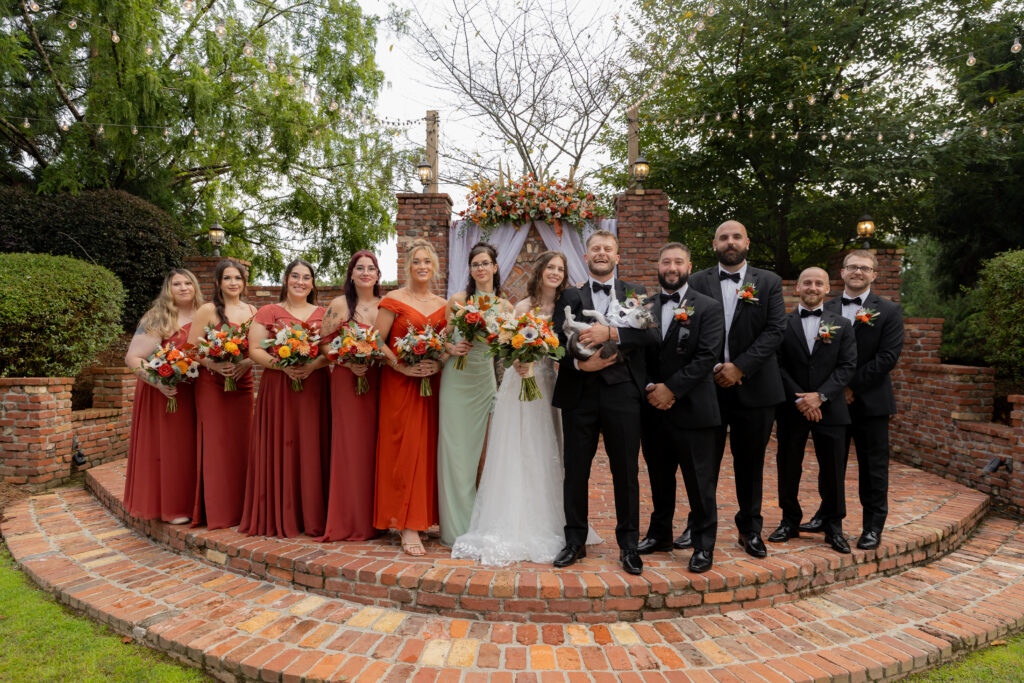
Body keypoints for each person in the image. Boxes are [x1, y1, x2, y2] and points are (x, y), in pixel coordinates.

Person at [452, 251, 602, 565]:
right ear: (540, 270)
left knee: (545, 449)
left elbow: (568, 346)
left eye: (561, 268)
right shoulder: (522, 306)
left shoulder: (567, 305)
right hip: (519, 383)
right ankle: (512, 520)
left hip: (547, 384)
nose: (556, 273)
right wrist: (519, 360)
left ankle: (556, 520)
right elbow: (506, 341)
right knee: (517, 449)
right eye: (550, 267)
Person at [550, 229, 657, 575]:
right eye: (595, 249)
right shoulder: (569, 294)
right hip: (579, 393)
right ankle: (575, 540)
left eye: (607, 248)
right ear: (586, 256)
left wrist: (611, 333)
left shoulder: (635, 293)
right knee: (576, 471)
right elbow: (553, 343)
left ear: (617, 256)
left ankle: (628, 546)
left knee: (625, 471)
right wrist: (582, 363)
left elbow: (650, 336)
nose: (601, 253)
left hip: (623, 393)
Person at [685, 220, 786, 559]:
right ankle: (697, 524)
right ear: (714, 244)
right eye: (723, 237)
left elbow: (775, 330)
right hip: (707, 387)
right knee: (703, 463)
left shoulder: (768, 282)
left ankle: (750, 529)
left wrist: (739, 366)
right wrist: (712, 368)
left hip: (755, 387)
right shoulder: (696, 281)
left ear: (747, 242)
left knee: (751, 462)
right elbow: (688, 328)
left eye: (736, 237)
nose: (730, 242)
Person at [801, 250, 904, 550]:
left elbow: (887, 358)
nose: (858, 272)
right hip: (833, 402)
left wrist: (850, 387)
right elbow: (817, 357)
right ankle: (827, 515)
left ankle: (872, 526)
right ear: (842, 273)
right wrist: (832, 391)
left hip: (871, 402)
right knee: (830, 464)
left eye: (864, 268)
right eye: (852, 267)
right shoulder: (826, 306)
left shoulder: (889, 310)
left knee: (873, 468)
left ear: (874, 274)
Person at [637, 243, 724, 573]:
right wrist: (650, 387)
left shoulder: (708, 307)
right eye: (665, 262)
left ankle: (703, 544)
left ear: (689, 265)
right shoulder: (643, 306)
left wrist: (670, 389)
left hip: (693, 409)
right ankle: (660, 535)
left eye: (678, 262)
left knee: (699, 483)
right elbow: (637, 354)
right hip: (653, 410)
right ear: (657, 266)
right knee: (660, 479)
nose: (671, 267)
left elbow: (707, 356)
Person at [238, 259, 330, 538]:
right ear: (286, 279)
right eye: (295, 276)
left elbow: (332, 351)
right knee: (283, 443)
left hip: (314, 388)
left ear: (313, 283)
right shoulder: (269, 311)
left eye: (306, 277)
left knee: (313, 445)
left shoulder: (324, 314)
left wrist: (312, 365)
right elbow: (254, 349)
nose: (300, 282)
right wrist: (282, 365)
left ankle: (314, 514)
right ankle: (280, 513)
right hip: (279, 388)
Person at [768, 267, 856, 554]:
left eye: (819, 283)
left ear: (828, 289)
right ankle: (789, 520)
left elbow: (847, 367)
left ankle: (834, 525)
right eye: (807, 282)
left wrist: (819, 397)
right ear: (797, 288)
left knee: (833, 469)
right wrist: (801, 400)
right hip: (792, 408)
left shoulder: (843, 324)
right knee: (788, 465)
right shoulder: (781, 323)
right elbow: (777, 364)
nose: (813, 287)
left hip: (830, 408)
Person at [374, 239, 447, 556]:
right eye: (417, 261)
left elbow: (448, 344)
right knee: (404, 450)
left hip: (433, 384)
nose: (422, 266)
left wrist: (439, 360)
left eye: (427, 261)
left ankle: (425, 517)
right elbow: (376, 342)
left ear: (434, 267)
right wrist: (402, 368)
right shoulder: (393, 300)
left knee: (430, 449)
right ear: (408, 266)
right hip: (401, 383)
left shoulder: (444, 304)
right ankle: (406, 524)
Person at [437, 242, 512, 547]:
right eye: (475, 264)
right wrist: (451, 348)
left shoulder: (505, 307)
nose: (480, 268)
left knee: (488, 457)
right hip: (456, 380)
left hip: (484, 383)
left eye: (485, 263)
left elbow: (507, 351)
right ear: (469, 270)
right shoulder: (457, 301)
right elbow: (439, 341)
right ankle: (455, 529)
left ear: (495, 267)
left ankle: (483, 522)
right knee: (455, 454)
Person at [123, 268, 203, 524]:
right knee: (172, 448)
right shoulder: (158, 317)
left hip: (196, 392)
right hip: (165, 392)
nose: (183, 288)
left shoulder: (205, 314)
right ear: (168, 289)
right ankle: (172, 507)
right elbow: (133, 359)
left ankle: (196, 503)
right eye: (176, 284)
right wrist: (159, 382)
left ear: (195, 286)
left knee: (194, 448)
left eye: (187, 283)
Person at [316, 250, 384, 542]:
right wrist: (346, 360)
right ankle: (347, 518)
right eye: (360, 268)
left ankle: (376, 520)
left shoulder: (386, 305)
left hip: (378, 379)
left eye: (371, 268)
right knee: (349, 446)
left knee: (375, 447)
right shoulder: (339, 305)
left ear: (378, 275)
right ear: (351, 274)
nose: (366, 273)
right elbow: (324, 345)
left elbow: (391, 343)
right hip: (346, 381)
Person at [186, 259, 256, 530]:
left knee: (243, 443)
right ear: (218, 283)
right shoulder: (207, 311)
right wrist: (214, 364)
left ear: (244, 282)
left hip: (242, 382)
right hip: (212, 383)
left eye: (237, 278)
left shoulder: (252, 310)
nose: (233, 283)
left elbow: (258, 348)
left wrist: (247, 362)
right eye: (227, 278)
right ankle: (217, 510)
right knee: (216, 444)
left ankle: (243, 509)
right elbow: (191, 349)